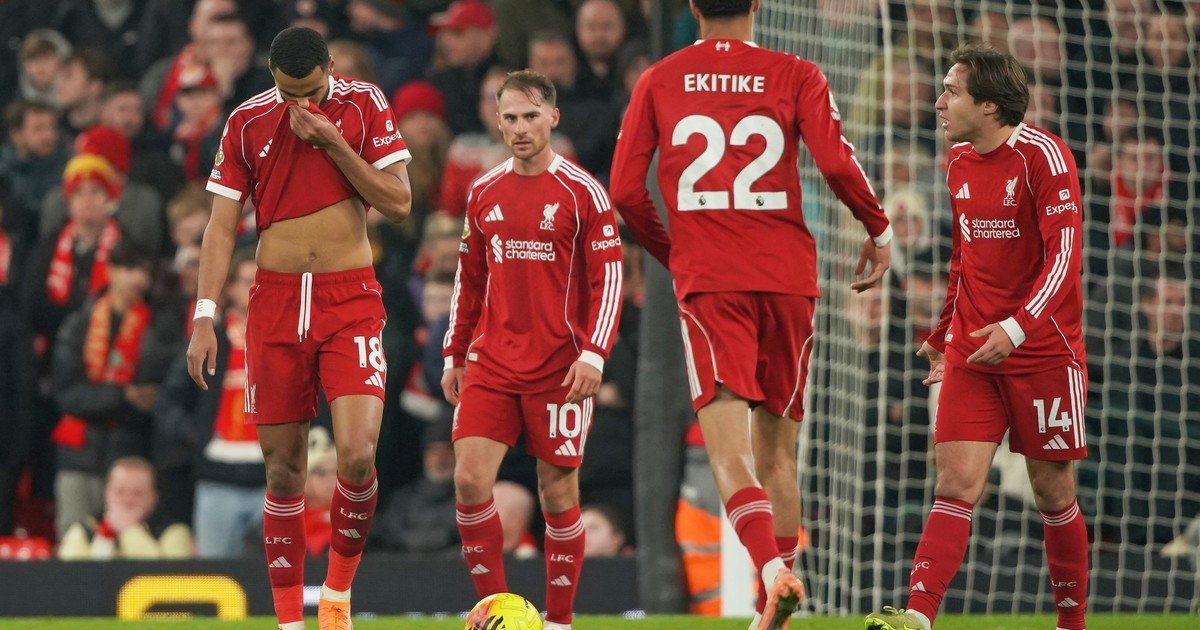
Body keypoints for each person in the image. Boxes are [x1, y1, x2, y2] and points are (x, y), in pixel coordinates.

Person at [608, 1, 892, 628]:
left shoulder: (660, 78)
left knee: (727, 451)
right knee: (779, 456)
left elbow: (626, 191)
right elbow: (836, 162)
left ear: (692, 6)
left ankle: (770, 572)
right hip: (789, 280)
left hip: (713, 283)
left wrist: (675, 252)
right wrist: (878, 227)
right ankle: (774, 614)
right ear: (758, 3)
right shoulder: (797, 73)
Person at [188, 26, 412, 630]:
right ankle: (290, 622)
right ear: (272, 76)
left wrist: (334, 143)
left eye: (312, 91)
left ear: (331, 67)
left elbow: (398, 203)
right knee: (283, 469)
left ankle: (336, 594)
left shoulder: (364, 104)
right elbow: (219, 227)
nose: (301, 105)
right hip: (276, 302)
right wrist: (205, 316)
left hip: (350, 299)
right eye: (290, 93)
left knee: (357, 456)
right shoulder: (246, 121)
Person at [864, 44, 1088, 630]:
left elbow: (1064, 257)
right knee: (955, 483)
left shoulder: (1044, 157)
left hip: (1042, 351)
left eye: (951, 92)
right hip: (974, 349)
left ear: (989, 105)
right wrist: (944, 333)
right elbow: (964, 258)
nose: (938, 103)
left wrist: (1016, 328)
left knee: (1053, 493)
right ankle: (918, 617)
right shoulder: (958, 160)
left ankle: (1072, 624)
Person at [440, 69, 623, 630]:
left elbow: (609, 279)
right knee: (469, 480)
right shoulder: (483, 191)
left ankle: (560, 622)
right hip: (492, 361)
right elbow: (469, 279)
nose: (520, 128)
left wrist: (594, 353)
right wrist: (454, 353)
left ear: (553, 118)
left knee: (558, 492)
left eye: (530, 116)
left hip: (559, 368)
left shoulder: (583, 192)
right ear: (497, 122)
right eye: (511, 118)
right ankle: (496, 613)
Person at [57, 456, 193, 560]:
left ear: (154, 497)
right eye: (120, 492)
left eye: (137, 493)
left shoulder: (175, 531)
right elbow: (71, 574)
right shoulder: (85, 529)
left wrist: (129, 529)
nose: (128, 500)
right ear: (107, 493)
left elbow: (166, 577)